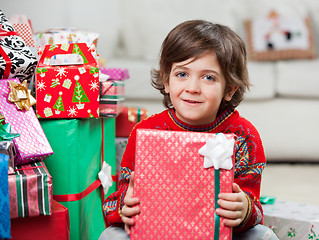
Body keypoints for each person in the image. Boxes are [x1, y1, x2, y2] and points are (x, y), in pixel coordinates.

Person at [99, 20, 278, 240]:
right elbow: (114, 205)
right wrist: (124, 208)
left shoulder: (244, 136)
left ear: (229, 89)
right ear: (166, 81)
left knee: (263, 235)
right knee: (111, 236)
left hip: (216, 234)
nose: (192, 88)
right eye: (182, 74)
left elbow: (255, 209)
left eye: (208, 77)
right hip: (156, 233)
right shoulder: (146, 131)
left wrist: (244, 209)